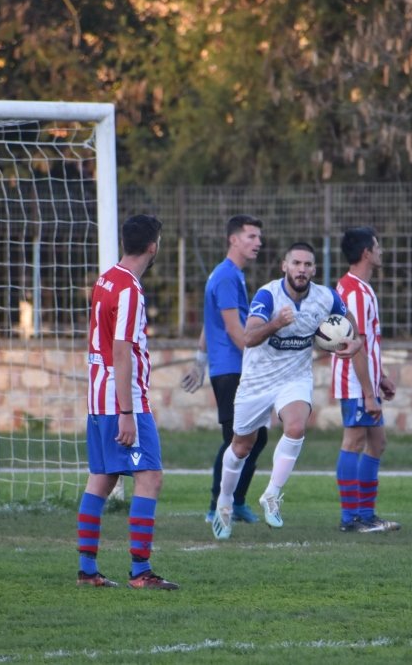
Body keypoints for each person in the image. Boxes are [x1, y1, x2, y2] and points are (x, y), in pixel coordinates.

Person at [211, 241, 362, 540]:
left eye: (307, 265)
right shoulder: (268, 295)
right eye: (296, 263)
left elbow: (351, 328)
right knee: (241, 447)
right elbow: (249, 337)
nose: (302, 270)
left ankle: (271, 495)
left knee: (295, 426)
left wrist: (353, 343)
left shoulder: (326, 297)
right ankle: (225, 501)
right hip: (258, 379)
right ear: (284, 266)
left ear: (314, 269)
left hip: (294, 377)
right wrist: (276, 323)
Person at [76, 213, 179, 590]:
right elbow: (121, 350)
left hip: (97, 394)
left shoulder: (107, 278)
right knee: (149, 476)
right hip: (122, 399)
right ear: (153, 246)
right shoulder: (130, 290)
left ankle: (87, 570)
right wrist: (127, 412)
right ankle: (140, 571)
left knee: (101, 479)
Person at [181, 214, 268, 525]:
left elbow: (211, 322)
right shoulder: (227, 276)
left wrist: (200, 362)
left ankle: (237, 501)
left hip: (229, 367)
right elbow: (234, 331)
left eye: (259, 237)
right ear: (234, 239)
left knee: (256, 438)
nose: (258, 242)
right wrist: (263, 363)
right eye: (252, 237)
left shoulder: (229, 274)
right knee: (237, 439)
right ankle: (217, 505)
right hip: (232, 369)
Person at [332, 227, 401, 533]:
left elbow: (369, 344)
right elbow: (356, 346)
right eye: (377, 246)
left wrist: (381, 377)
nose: (381, 251)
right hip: (354, 381)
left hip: (366, 381)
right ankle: (351, 519)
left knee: (378, 442)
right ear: (366, 254)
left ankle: (366, 513)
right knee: (355, 441)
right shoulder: (355, 292)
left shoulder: (359, 288)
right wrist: (368, 393)